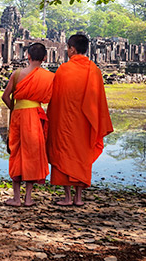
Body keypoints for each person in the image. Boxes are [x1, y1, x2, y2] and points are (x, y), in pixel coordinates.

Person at [46, 34, 113, 206]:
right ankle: (78, 198)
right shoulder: (94, 70)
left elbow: (56, 99)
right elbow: (98, 100)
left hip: (65, 122)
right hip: (85, 123)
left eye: (68, 48)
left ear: (72, 49)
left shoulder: (64, 69)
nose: (67, 51)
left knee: (64, 154)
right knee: (81, 155)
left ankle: (67, 197)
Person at [1, 42, 55, 207]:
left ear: (27, 56)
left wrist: (16, 108)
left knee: (16, 152)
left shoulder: (17, 74)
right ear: (45, 58)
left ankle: (16, 198)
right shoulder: (49, 76)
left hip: (19, 115)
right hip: (35, 115)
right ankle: (28, 199)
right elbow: (50, 98)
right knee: (32, 153)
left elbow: (5, 97)